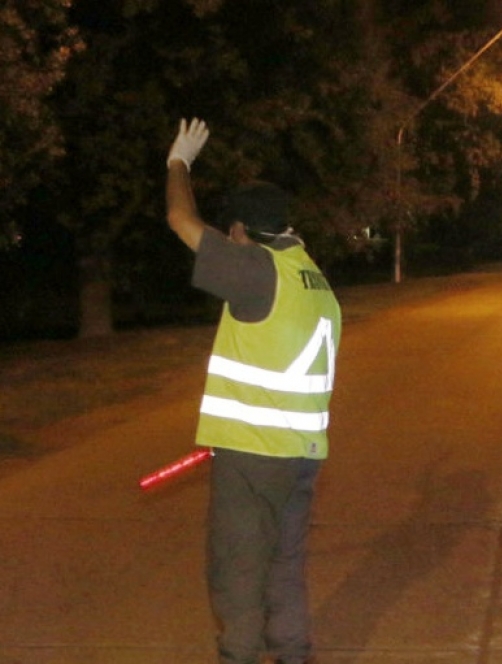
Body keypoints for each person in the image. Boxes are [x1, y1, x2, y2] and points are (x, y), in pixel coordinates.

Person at [166, 118, 341, 664]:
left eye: (232, 231)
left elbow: (179, 218)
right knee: (283, 565)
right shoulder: (309, 273)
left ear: (241, 230)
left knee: (238, 572)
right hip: (301, 457)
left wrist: (179, 163)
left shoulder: (255, 269)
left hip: (254, 454)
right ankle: (294, 655)